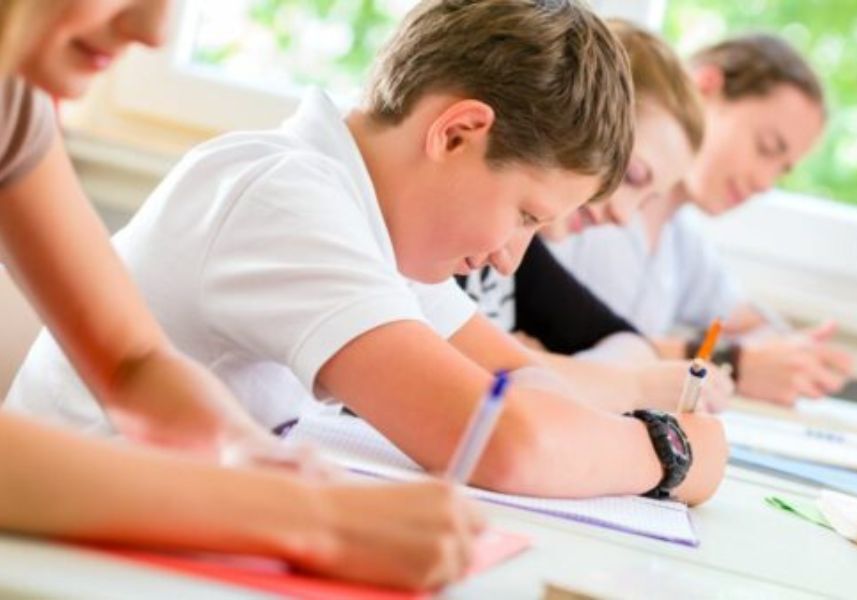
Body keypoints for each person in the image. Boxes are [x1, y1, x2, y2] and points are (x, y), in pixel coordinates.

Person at [9, 0, 728, 504]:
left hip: (163, 517)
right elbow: (497, 439)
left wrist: (584, 420)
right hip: (74, 543)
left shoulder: (376, 223)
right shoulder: (288, 197)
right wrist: (672, 452)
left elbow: (519, 379)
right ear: (454, 134)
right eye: (524, 215)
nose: (513, 259)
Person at [0, 0, 482, 590]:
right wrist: (309, 519)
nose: (154, 32)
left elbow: (132, 360)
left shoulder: (14, 100)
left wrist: (245, 451)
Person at [549, 33, 854, 405]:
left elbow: (755, 324)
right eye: (766, 148)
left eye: (781, 170)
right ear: (705, 87)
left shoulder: (680, 240)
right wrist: (731, 361)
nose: (763, 183)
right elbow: (556, 342)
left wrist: (784, 355)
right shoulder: (583, 208)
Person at [458, 19, 733, 414]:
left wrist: (552, 370)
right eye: (632, 176)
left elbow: (632, 344)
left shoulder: (523, 252)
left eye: (647, 200)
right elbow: (460, 367)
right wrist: (620, 385)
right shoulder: (446, 239)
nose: (623, 216)